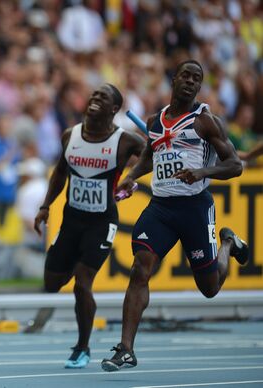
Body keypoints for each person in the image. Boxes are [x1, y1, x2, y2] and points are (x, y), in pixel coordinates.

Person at [101, 60, 248, 372]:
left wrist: (201, 172)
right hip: (162, 208)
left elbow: (235, 165)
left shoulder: (206, 121)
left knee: (209, 289)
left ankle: (228, 243)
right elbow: (150, 156)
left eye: (197, 78)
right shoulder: (155, 120)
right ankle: (126, 348)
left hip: (195, 208)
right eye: (186, 75)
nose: (191, 82)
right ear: (175, 79)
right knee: (141, 268)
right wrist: (132, 175)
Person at [32, 84, 144, 369]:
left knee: (83, 284)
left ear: (114, 109)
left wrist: (131, 177)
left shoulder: (125, 140)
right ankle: (70, 267)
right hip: (71, 219)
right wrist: (45, 206)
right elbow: (59, 172)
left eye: (103, 98)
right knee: (52, 281)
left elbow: (153, 153)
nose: (95, 99)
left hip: (101, 222)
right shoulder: (71, 135)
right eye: (94, 95)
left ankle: (82, 347)